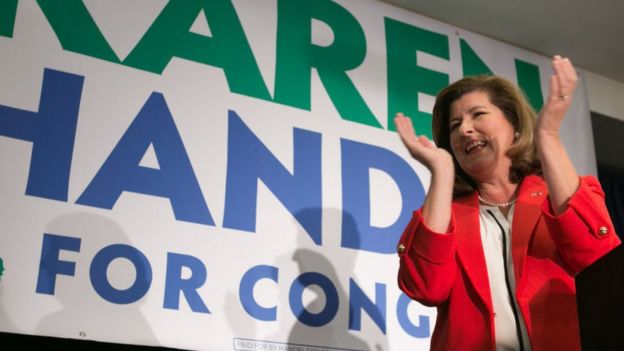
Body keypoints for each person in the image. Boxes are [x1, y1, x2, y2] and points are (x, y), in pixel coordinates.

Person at [394, 55, 620, 351]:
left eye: (478, 115)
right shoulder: (444, 218)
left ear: (514, 125)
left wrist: (547, 136)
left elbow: (597, 258)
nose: (464, 130)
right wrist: (442, 171)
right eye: (455, 125)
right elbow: (425, 288)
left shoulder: (558, 195)